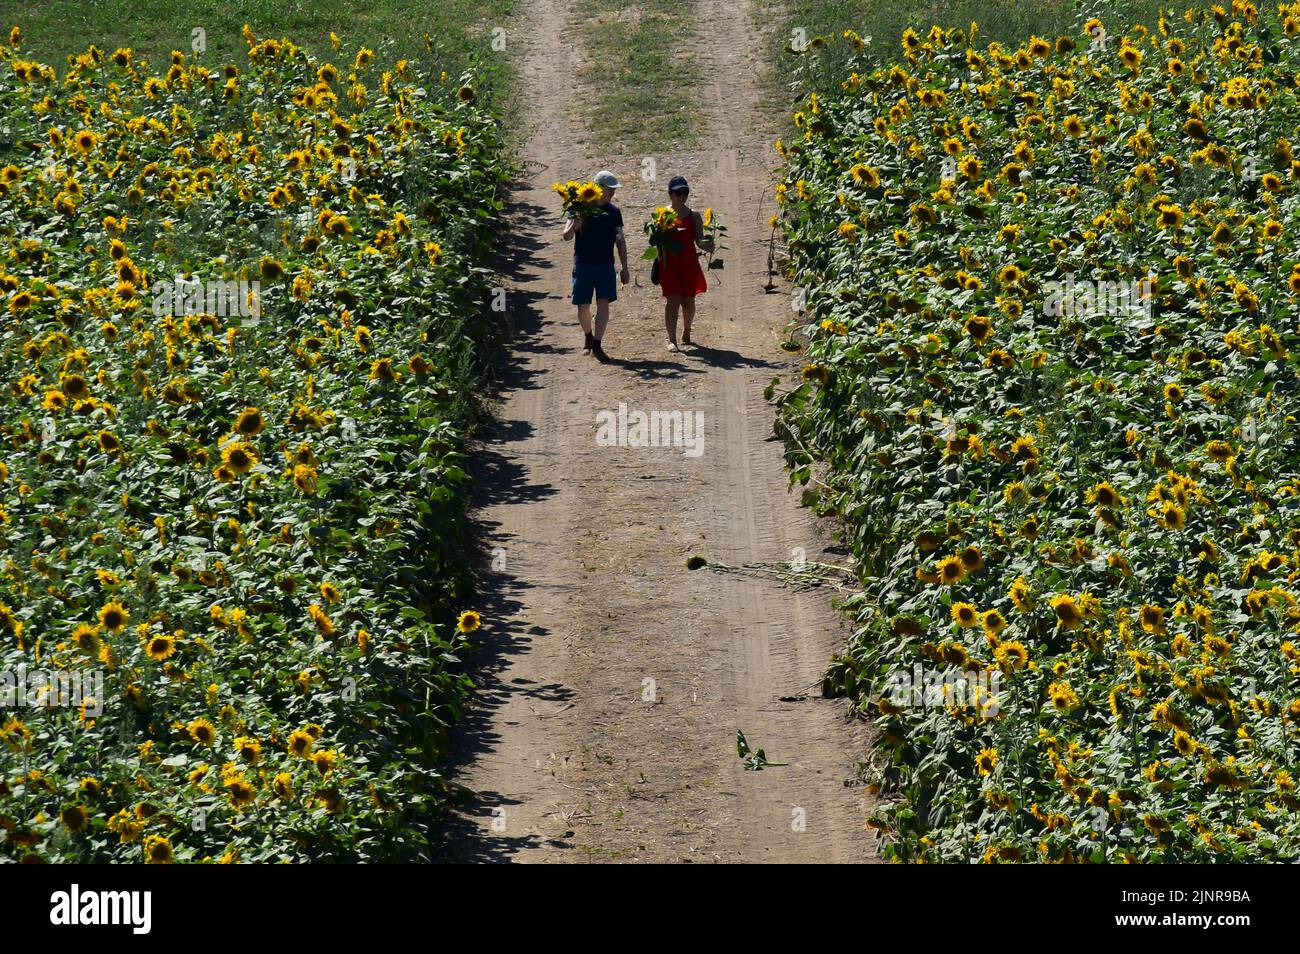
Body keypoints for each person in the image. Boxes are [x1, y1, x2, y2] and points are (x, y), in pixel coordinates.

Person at [562, 169, 629, 361]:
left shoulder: (614, 212)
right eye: (610, 190)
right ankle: (588, 336)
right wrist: (575, 224)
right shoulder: (579, 208)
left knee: (603, 304)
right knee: (582, 305)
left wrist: (625, 267)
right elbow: (566, 236)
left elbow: (620, 240)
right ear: (599, 189)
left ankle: (597, 344)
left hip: (606, 264)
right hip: (583, 264)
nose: (613, 193)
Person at [656, 175, 714, 352]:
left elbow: (699, 240)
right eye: (678, 193)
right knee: (672, 300)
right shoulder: (662, 215)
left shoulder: (693, 216)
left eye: (685, 192)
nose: (682, 196)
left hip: (688, 264)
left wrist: (708, 245)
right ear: (670, 194)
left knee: (688, 301)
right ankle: (671, 339)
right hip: (669, 265)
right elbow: (656, 241)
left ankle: (687, 330)